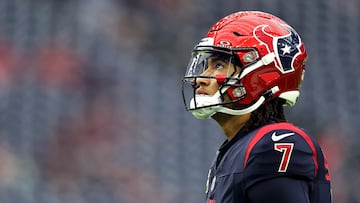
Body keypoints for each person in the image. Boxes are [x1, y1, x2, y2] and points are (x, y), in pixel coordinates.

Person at [181, 11, 332, 203]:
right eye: (206, 66)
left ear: (261, 75)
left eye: (218, 65)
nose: (201, 78)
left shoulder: (274, 143)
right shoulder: (234, 150)